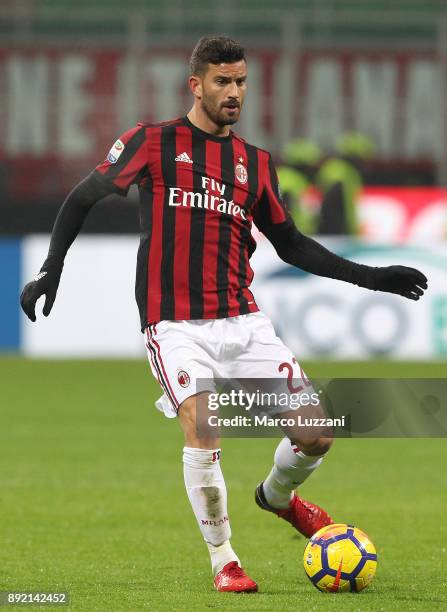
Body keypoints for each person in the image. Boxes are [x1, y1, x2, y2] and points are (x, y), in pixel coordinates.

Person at [20, 36, 428, 593]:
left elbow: (292, 245)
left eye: (240, 82)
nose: (234, 92)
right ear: (196, 85)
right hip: (175, 323)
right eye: (222, 82)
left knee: (316, 435)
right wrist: (52, 267)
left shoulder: (254, 164)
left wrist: (373, 278)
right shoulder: (152, 142)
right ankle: (224, 561)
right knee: (204, 428)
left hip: (244, 321)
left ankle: (278, 499)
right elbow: (84, 196)